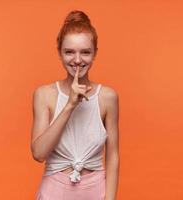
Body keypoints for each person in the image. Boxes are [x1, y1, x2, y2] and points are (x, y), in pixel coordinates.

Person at [31, 10, 119, 200]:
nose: (77, 60)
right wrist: (69, 105)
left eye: (85, 52)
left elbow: (113, 156)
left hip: (96, 192)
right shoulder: (44, 95)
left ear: (95, 53)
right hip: (54, 192)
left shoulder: (107, 97)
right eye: (69, 52)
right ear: (59, 53)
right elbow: (39, 153)